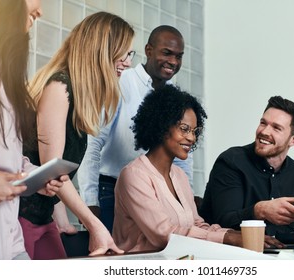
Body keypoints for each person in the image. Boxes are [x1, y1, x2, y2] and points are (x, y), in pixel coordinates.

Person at [18, 11, 133, 259]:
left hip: (42, 219)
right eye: (123, 53)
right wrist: (95, 225)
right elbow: (53, 170)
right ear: (101, 50)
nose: (128, 62)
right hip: (18, 220)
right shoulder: (60, 88)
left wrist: (63, 223)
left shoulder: (78, 98)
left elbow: (49, 174)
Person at [78, 25, 193, 233]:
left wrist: (187, 199)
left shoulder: (175, 97)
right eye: (167, 53)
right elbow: (92, 144)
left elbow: (182, 156)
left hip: (157, 193)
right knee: (112, 260)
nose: (174, 62)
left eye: (179, 56)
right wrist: (90, 203)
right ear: (149, 50)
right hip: (110, 192)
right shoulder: (121, 82)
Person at [112, 85, 246, 252]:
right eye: (184, 129)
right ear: (162, 126)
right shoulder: (133, 175)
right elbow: (163, 235)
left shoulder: (179, 175)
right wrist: (227, 238)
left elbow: (196, 224)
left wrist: (236, 235)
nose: (191, 137)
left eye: (195, 131)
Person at [0, 0, 66, 260]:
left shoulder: (5, 78)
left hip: (9, 244)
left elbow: (5, 156)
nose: (41, 11)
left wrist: (33, 177)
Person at [199, 96, 294, 248]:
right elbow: (222, 221)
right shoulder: (231, 161)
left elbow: (285, 230)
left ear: (293, 140)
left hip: (272, 255)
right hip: (224, 253)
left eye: (276, 128)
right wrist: (259, 210)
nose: (264, 131)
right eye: (263, 123)